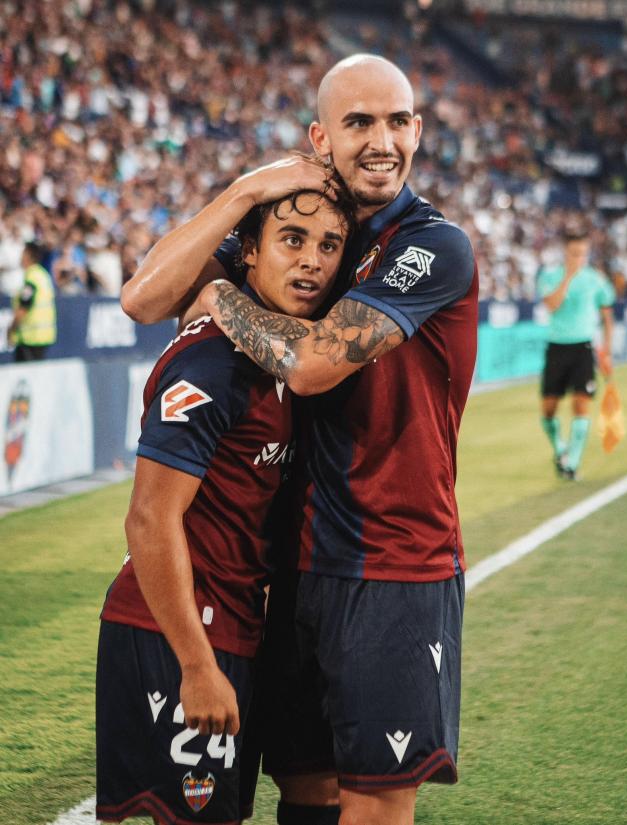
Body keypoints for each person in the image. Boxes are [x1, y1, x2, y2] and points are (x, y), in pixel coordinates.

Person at [123, 54, 478, 825]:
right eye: (358, 122)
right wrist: (249, 188)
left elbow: (312, 366)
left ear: (417, 130)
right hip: (291, 565)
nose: (380, 140)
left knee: (376, 805)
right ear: (321, 137)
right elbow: (143, 296)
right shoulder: (309, 227)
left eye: (396, 121)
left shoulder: (434, 246)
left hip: (392, 563)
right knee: (308, 792)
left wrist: (218, 293)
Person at [96, 187, 353, 825]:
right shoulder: (211, 362)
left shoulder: (284, 356)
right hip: (179, 633)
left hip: (236, 627)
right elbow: (150, 519)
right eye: (292, 241)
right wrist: (195, 663)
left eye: (328, 246)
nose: (312, 262)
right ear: (247, 254)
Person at [537, 228, 615, 480]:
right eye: (574, 254)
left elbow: (607, 316)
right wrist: (568, 277)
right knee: (548, 409)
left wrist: (607, 353)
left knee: (581, 405)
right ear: (565, 253)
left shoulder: (596, 280)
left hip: (583, 348)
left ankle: (572, 463)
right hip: (557, 347)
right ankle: (561, 448)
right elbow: (551, 305)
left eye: (582, 254)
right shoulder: (550, 276)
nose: (578, 259)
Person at [8, 241, 57, 361]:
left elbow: (24, 307)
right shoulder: (43, 274)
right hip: (44, 336)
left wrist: (11, 329)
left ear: (28, 255)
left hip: (30, 338)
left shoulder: (32, 278)